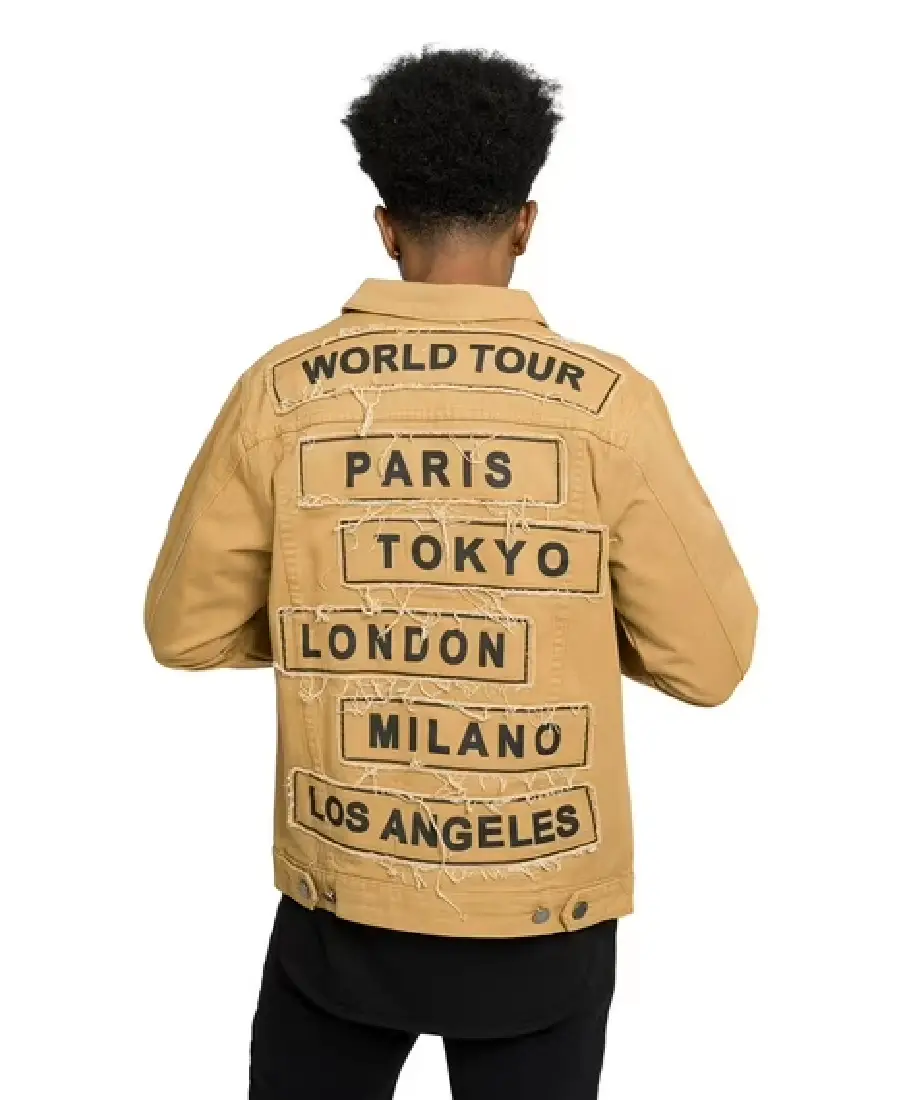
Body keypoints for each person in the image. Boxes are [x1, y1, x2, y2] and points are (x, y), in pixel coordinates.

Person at [145, 47, 757, 1100]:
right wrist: (552, 623)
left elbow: (183, 630)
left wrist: (347, 618)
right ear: (527, 223)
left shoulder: (281, 393)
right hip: (543, 913)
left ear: (387, 228)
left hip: (343, 904)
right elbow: (711, 663)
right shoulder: (609, 406)